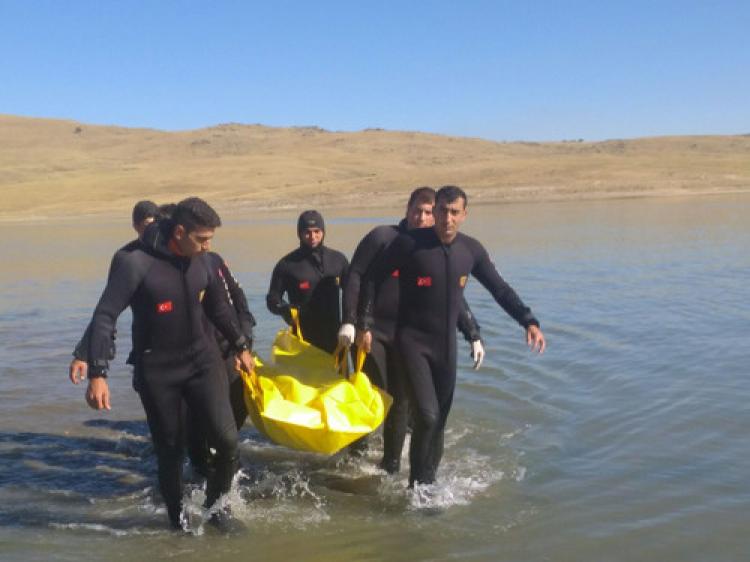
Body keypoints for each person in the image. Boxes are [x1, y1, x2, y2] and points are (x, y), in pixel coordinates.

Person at [81, 197, 254, 530]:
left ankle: (217, 508)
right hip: (159, 372)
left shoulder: (204, 263)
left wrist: (241, 345)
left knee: (228, 440)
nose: (207, 247)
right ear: (179, 232)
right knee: (171, 451)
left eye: (210, 240)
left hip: (203, 362)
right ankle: (178, 521)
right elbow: (105, 315)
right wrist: (98, 372)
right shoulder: (136, 264)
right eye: (202, 239)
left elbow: (219, 309)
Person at [358, 186, 545, 486]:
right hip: (411, 343)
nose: (446, 218)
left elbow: (499, 289)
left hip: (445, 347)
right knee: (427, 416)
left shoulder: (470, 250)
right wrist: (364, 322)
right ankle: (417, 490)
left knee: (439, 423)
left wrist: (527, 320)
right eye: (442, 210)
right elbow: (371, 278)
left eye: (454, 212)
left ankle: (428, 483)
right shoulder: (409, 243)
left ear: (464, 215)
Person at [338, 187, 484, 471]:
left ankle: (391, 463)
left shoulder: (431, 249)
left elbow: (453, 299)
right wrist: (352, 322)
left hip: (407, 336)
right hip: (374, 332)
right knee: (375, 390)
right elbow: (356, 276)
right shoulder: (384, 237)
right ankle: (356, 450)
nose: (421, 216)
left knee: (401, 399)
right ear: (406, 209)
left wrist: (473, 333)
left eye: (429, 212)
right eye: (416, 210)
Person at [69, 200, 159, 390]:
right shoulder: (126, 258)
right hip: (146, 348)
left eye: (155, 226)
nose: (151, 232)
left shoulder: (176, 251)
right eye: (146, 227)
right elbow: (106, 312)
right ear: (135, 226)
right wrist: (84, 354)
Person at [266, 210, 349, 354]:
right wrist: (283, 309)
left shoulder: (338, 260)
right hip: (303, 341)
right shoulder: (287, 265)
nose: (312, 237)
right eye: (307, 232)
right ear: (299, 233)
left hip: (335, 338)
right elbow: (272, 299)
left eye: (317, 231)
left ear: (323, 231)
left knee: (339, 377)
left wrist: (350, 323)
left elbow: (352, 293)